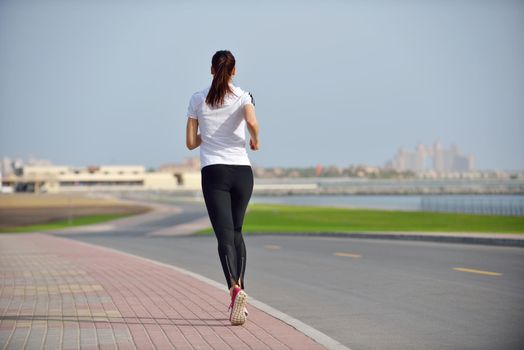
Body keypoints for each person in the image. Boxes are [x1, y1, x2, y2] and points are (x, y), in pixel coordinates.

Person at [185, 50, 259, 326]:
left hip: (214, 172)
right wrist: (255, 140)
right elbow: (251, 122)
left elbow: (191, 143)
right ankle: (240, 291)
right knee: (237, 233)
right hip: (242, 172)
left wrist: (209, 133)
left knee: (224, 236)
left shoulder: (197, 99)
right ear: (234, 70)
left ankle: (234, 289)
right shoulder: (243, 96)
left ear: (211, 70)